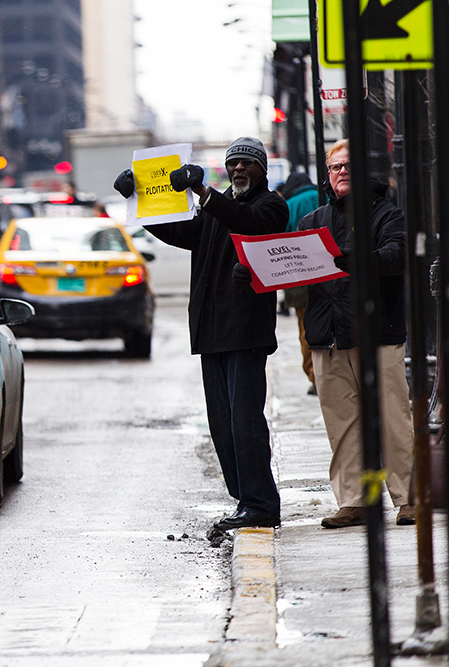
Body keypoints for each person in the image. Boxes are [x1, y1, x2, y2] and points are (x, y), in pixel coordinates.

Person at [114, 136, 288, 532]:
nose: (239, 169)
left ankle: (261, 503)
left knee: (245, 421)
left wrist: (202, 192)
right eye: (234, 163)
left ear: (261, 169)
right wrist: (138, 203)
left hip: (245, 331)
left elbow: (249, 223)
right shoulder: (213, 210)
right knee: (222, 424)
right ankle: (246, 500)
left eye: (247, 163)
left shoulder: (268, 205)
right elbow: (180, 233)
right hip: (211, 332)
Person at [296, 139, 415, 528]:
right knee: (343, 423)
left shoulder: (387, 215)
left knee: (392, 418)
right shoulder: (312, 221)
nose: (341, 172)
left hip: (376, 334)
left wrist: (357, 259)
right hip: (328, 336)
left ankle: (408, 497)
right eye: (335, 167)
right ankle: (355, 500)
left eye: (349, 166)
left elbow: (396, 257)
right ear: (327, 176)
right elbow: (297, 276)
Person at [281, 172, 319, 395]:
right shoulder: (323, 195)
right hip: (330, 273)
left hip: (299, 278)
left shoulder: (288, 206)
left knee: (306, 328)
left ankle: (315, 376)